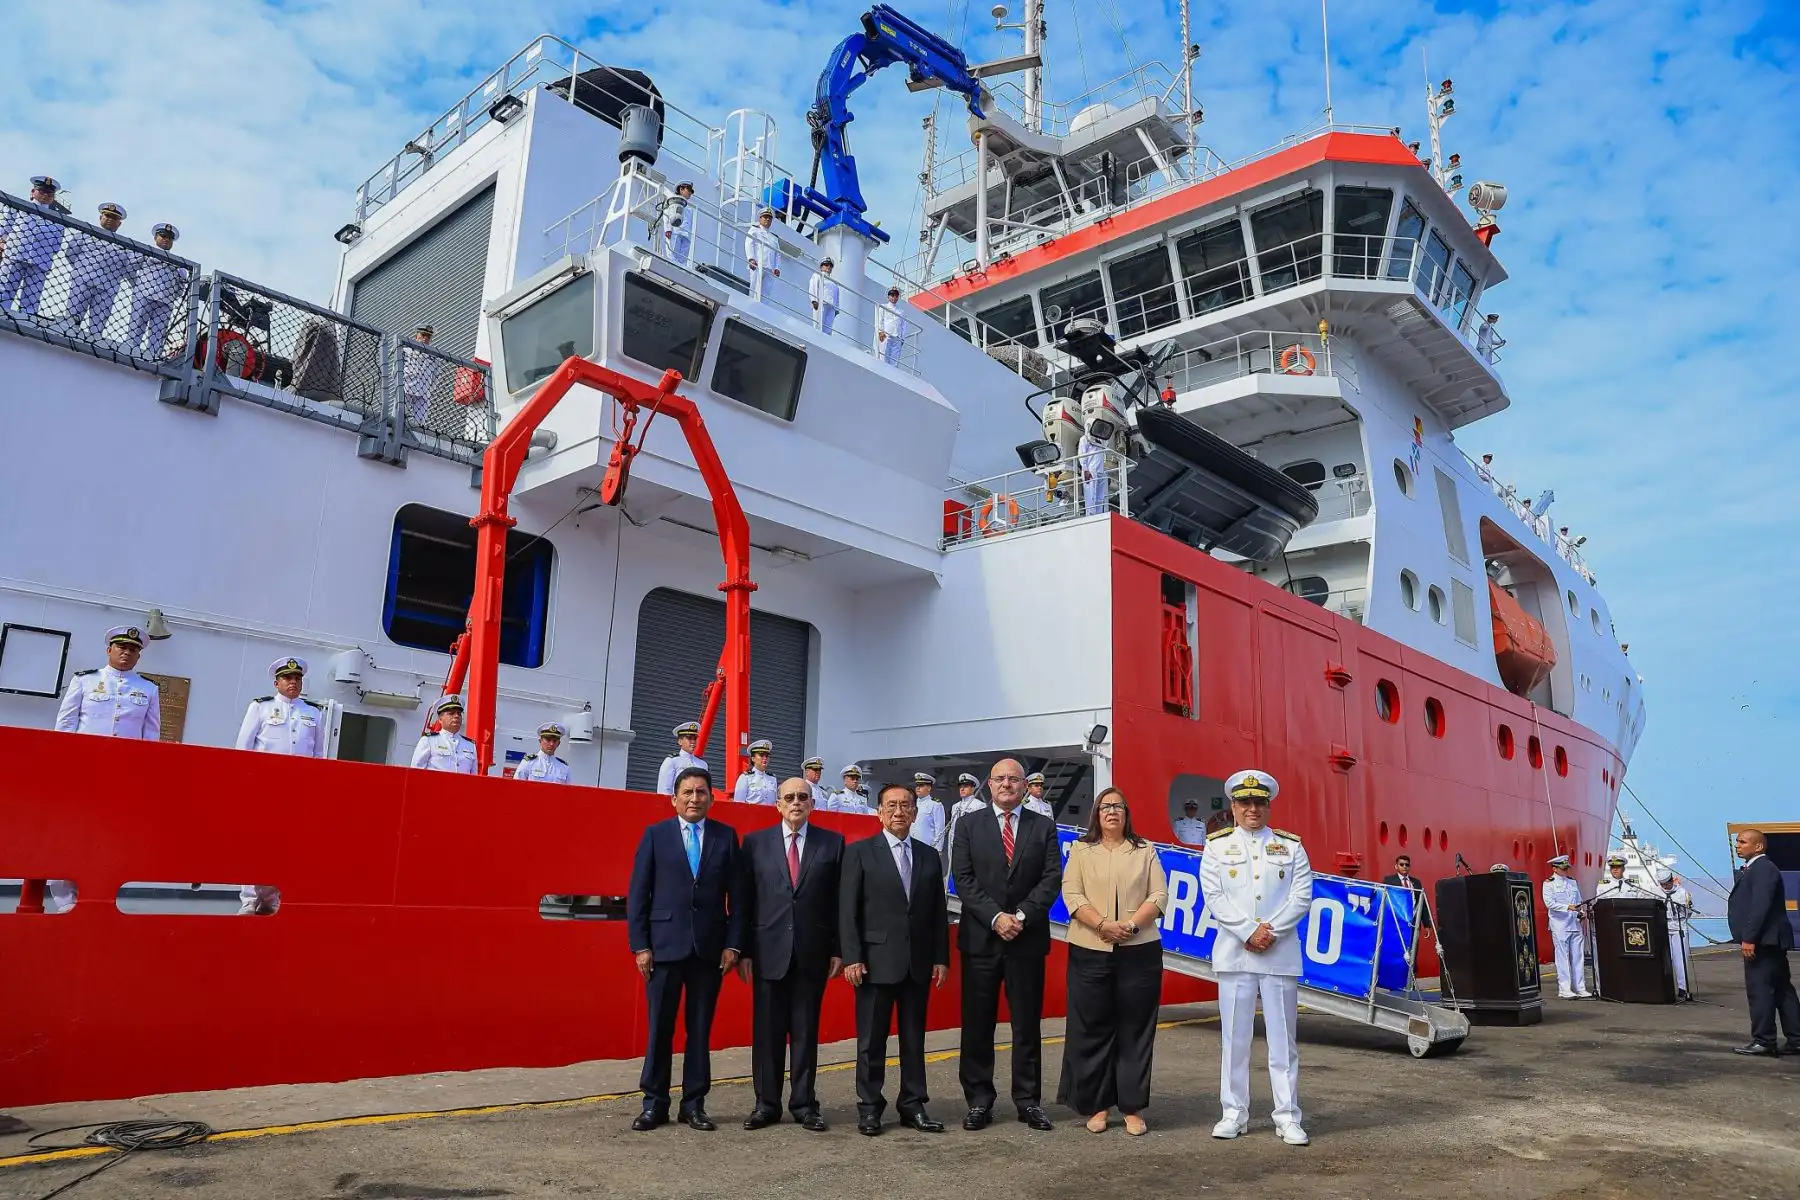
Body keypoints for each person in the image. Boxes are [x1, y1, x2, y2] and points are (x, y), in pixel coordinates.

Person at [1199, 769, 1314, 1146]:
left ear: (1268, 806)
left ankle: (1287, 1116)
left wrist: (1270, 932)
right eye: (1245, 802)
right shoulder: (1215, 846)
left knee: (1284, 1041)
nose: (1252, 808)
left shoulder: (1291, 847)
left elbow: (1301, 897)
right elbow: (1214, 897)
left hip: (1278, 954)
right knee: (1234, 1039)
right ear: (1232, 806)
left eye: (1259, 802)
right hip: (1235, 953)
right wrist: (1249, 931)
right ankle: (1233, 1113)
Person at [626, 767, 745, 1128]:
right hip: (662, 949)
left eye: (702, 792)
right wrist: (640, 945)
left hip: (709, 951)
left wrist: (734, 946)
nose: (695, 799)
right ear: (673, 798)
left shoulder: (726, 837)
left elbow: (738, 898)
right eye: (688, 792)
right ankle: (654, 1103)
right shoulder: (656, 835)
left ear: (711, 797)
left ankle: (693, 1104)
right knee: (659, 1028)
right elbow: (638, 894)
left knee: (699, 1029)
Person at [951, 758, 1063, 1132]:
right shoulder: (967, 824)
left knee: (1027, 1025)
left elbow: (1051, 879)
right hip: (982, 940)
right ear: (989, 783)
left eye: (1014, 779)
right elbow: (964, 880)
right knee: (978, 1025)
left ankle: (1028, 1101)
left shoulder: (1044, 826)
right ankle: (979, 1101)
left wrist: (1022, 916)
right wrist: (997, 918)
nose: (1006, 785)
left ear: (1023, 785)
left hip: (1026, 940)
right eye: (999, 779)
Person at [840, 783, 949, 1135]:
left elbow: (936, 912)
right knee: (871, 1041)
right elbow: (848, 911)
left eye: (905, 806)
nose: (898, 811)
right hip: (873, 963)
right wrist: (852, 958)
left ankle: (913, 1105)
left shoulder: (929, 856)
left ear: (915, 813)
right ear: (879, 812)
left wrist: (940, 958)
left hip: (917, 964)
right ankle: (869, 1107)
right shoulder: (859, 853)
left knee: (914, 1040)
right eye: (891, 805)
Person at [1058, 787, 1168, 1136]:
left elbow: (1159, 894)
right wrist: (1103, 924)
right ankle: (1098, 1104)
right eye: (1105, 807)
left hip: (1140, 949)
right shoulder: (1081, 850)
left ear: (1126, 813)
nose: (1112, 812)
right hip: (1091, 947)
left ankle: (1132, 1106)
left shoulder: (1144, 850)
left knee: (1135, 1028)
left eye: (1118, 806)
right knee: (1092, 1027)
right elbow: (1071, 893)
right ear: (1096, 814)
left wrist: (1132, 926)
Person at [739, 778, 843, 1131]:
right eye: (789, 798)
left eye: (803, 797)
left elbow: (838, 903)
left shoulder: (832, 844)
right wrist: (744, 950)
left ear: (812, 804)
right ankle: (766, 1104)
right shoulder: (755, 844)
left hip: (812, 954)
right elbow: (745, 902)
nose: (796, 802)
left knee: (805, 1032)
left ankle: (804, 1104)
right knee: (766, 1034)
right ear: (778, 805)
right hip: (768, 953)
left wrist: (838, 949)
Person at [50, 625, 161, 912]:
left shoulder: (147, 689)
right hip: (83, 771)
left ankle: (98, 893)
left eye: (133, 649)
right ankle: (64, 899)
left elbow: (151, 736)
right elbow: (64, 727)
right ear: (109, 649)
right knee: (71, 832)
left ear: (139, 656)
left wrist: (144, 775)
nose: (127, 652)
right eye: (121, 647)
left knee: (108, 836)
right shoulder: (85, 681)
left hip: (122, 776)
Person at [233, 655, 325, 913]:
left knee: (286, 843)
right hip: (264, 786)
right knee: (256, 841)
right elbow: (244, 747)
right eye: (287, 678)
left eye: (297, 678)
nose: (293, 682)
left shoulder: (313, 712)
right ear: (277, 683)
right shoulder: (260, 707)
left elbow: (318, 754)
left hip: (297, 789)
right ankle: (250, 899)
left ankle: (272, 897)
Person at [1727, 828, 1800, 1057]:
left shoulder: (1762, 869)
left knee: (1760, 991)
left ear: (1758, 846)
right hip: (1770, 941)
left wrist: (1749, 938)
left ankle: (1764, 1040)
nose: (1738, 845)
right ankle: (1796, 1039)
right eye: (1737, 841)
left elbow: (1760, 907)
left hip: (1763, 942)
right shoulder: (1757, 869)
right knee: (1781, 990)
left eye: (1743, 842)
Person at [0, 175, 66, 319]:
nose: (45, 195)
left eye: (49, 193)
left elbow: (56, 246)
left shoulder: (58, 219)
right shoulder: (18, 207)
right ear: (33, 192)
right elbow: (4, 231)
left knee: (31, 297)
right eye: (42, 191)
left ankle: (26, 319)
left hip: (40, 262)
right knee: (4, 290)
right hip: (14, 255)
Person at [63, 202, 132, 336]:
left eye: (114, 218)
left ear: (119, 223)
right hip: (82, 283)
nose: (110, 220)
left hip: (107, 289)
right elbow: (71, 253)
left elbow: (127, 268)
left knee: (97, 329)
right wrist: (82, 271)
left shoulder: (124, 245)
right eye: (107, 216)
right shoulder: (86, 234)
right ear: (100, 217)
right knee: (70, 322)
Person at [124, 223, 188, 359]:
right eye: (163, 236)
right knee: (136, 329)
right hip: (144, 296)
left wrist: (170, 296)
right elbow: (130, 269)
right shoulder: (145, 252)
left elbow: (180, 288)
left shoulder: (178, 264)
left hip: (165, 302)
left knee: (157, 335)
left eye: (169, 238)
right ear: (155, 237)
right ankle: (129, 354)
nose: (166, 240)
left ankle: (152, 359)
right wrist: (139, 286)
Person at [1542, 854, 1590, 999]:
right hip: (1560, 925)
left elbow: (1579, 900)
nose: (1566, 871)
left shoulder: (1572, 882)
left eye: (1566, 868)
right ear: (1555, 868)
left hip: (1575, 923)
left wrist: (1582, 912)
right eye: (1563, 868)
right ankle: (1564, 988)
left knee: (1578, 956)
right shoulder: (1548, 884)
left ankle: (1579, 987)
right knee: (1562, 957)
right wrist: (1568, 907)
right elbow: (1549, 904)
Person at [410, 695, 478, 773]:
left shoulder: (470, 745)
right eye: (451, 713)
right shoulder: (428, 741)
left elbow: (474, 776)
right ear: (440, 719)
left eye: (459, 713)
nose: (456, 716)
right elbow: (415, 772)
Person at [1656, 865, 1692, 1000]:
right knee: (1664, 959)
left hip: (1679, 927)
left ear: (1671, 881)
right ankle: (1664, 986)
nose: (1665, 887)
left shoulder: (1682, 893)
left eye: (1667, 884)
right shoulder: (1656, 892)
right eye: (1663, 885)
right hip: (1663, 927)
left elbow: (1688, 912)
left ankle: (1683, 987)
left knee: (1680, 958)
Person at [1381, 854, 1432, 941]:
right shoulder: (1389, 881)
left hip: (1413, 922)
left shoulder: (1416, 882)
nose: (1404, 867)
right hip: (1397, 921)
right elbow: (1383, 901)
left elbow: (1422, 904)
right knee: (1398, 949)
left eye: (1407, 865)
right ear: (1396, 866)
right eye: (1401, 864)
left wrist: (1427, 925)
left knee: (1413, 949)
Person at [943, 772, 985, 867]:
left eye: (965, 786)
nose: (962, 789)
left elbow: (981, 829)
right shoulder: (955, 806)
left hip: (970, 844)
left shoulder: (979, 805)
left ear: (973, 788)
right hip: (954, 843)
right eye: (960, 786)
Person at [656, 721, 707, 795]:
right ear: (680, 741)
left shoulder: (702, 764)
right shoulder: (672, 761)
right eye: (689, 738)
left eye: (695, 738)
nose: (693, 742)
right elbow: (664, 790)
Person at [402, 324, 439, 425]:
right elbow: (395, 370)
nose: (425, 338)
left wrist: (428, 389)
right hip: (406, 389)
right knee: (398, 417)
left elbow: (435, 377)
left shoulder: (433, 356)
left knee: (420, 424)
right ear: (416, 336)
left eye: (428, 336)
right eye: (423, 335)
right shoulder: (405, 351)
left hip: (423, 392)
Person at [743, 208, 781, 302]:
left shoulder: (774, 238)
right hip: (758, 264)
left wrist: (777, 268)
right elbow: (749, 244)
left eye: (769, 218)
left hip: (770, 268)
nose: (767, 219)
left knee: (766, 292)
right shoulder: (754, 230)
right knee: (755, 287)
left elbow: (778, 254)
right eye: (765, 217)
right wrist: (751, 259)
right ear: (760, 219)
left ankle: (762, 308)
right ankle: (751, 305)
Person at [911, 772, 947, 859]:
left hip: (928, 847)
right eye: (917, 785)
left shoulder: (935, 804)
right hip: (911, 846)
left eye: (922, 785)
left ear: (929, 788)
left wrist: (938, 849)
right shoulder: (911, 803)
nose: (918, 788)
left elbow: (940, 828)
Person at [732, 738, 779, 805]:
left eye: (767, 756)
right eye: (761, 755)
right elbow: (738, 804)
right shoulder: (745, 778)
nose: (765, 758)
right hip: (751, 815)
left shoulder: (772, 778)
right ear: (753, 758)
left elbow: (774, 803)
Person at [659, 181, 694, 265]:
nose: (690, 193)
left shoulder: (689, 208)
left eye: (691, 191)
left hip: (686, 234)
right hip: (676, 231)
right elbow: (666, 214)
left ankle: (682, 268)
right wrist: (668, 229)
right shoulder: (672, 201)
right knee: (673, 253)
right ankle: (672, 265)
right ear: (681, 189)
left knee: (683, 256)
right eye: (688, 190)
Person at [1078, 428, 1109, 517]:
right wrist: (1085, 469)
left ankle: (1099, 513)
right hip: (1090, 470)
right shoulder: (1084, 439)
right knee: (1090, 494)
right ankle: (1090, 514)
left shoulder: (1100, 440)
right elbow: (1082, 454)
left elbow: (1106, 446)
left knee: (1100, 495)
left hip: (1100, 470)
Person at [874, 285, 908, 365]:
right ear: (888, 296)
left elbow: (904, 325)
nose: (894, 297)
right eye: (892, 295)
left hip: (897, 338)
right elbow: (880, 321)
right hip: (886, 336)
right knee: (883, 358)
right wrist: (880, 331)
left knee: (894, 361)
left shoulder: (901, 311)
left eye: (896, 295)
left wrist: (902, 338)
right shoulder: (883, 307)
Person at [808, 257, 840, 334]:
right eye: (826, 265)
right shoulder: (818, 275)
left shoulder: (834, 282)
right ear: (821, 266)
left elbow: (836, 295)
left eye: (830, 265)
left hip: (832, 306)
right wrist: (814, 300)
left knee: (828, 328)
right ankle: (816, 337)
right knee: (818, 324)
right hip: (821, 303)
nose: (828, 267)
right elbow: (813, 287)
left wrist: (837, 309)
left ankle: (826, 340)